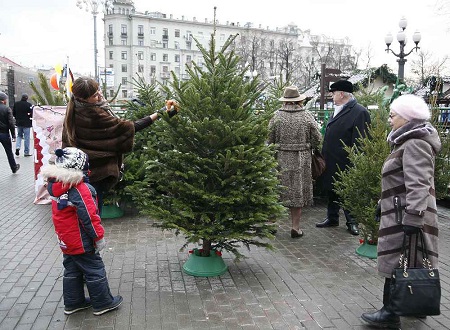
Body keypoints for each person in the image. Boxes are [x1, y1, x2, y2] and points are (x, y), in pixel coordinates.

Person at [361, 94, 441, 328]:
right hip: (400, 211)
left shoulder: (415, 143)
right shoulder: (407, 141)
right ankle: (415, 305)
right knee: (411, 260)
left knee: (398, 260)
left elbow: (418, 183)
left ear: (407, 118)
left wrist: (413, 217)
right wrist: (381, 202)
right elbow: (400, 180)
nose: (389, 119)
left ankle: (390, 313)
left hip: (406, 215)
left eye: (392, 115)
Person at [62, 77, 178, 214]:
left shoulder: (74, 108)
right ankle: (94, 235)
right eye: (94, 95)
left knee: (86, 211)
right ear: (84, 99)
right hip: (95, 173)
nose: (99, 95)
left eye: (98, 90)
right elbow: (128, 128)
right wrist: (161, 112)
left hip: (79, 172)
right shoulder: (95, 114)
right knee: (92, 213)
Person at [41, 147, 123, 316]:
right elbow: (89, 217)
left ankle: (73, 302)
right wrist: (98, 237)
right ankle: (103, 302)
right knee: (94, 268)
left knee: (72, 269)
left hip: (66, 239)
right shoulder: (80, 189)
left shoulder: (57, 186)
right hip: (81, 239)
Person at [315, 80, 371, 236]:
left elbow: (361, 138)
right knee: (332, 189)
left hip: (346, 160)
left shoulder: (360, 112)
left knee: (347, 192)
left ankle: (352, 221)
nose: (332, 96)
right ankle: (332, 218)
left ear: (341, 93)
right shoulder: (339, 109)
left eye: (333, 93)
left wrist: (356, 160)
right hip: (332, 158)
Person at [268, 86, 322, 238]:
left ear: (285, 101)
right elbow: (317, 138)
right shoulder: (306, 116)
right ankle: (295, 228)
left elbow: (269, 138)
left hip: (281, 158)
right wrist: (308, 145)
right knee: (297, 192)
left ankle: (272, 224)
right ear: (299, 101)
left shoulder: (276, 116)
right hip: (301, 159)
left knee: (277, 190)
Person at [0, 92, 20, 173]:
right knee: (9, 152)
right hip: (4, 133)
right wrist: (13, 135)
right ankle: (14, 167)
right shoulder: (7, 109)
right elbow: (11, 123)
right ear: (4, 100)